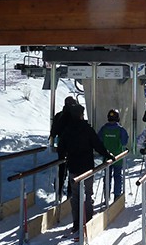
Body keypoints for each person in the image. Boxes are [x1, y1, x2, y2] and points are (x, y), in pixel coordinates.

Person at [57, 103, 113, 234]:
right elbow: (97, 145)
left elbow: (61, 147)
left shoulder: (67, 130)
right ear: (81, 115)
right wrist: (107, 154)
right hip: (87, 167)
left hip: (73, 167)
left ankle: (76, 222)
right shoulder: (87, 129)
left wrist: (63, 157)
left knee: (75, 195)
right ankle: (88, 221)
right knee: (88, 194)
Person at [98, 109, 129, 200]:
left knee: (107, 177)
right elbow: (124, 142)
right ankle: (117, 196)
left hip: (106, 157)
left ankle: (106, 197)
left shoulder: (103, 129)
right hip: (117, 157)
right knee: (118, 176)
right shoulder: (120, 129)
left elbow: (99, 140)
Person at [49, 96, 76, 199]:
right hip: (73, 146)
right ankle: (70, 193)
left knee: (62, 168)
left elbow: (54, 131)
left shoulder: (59, 115)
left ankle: (59, 192)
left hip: (62, 145)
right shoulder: (75, 116)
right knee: (72, 169)